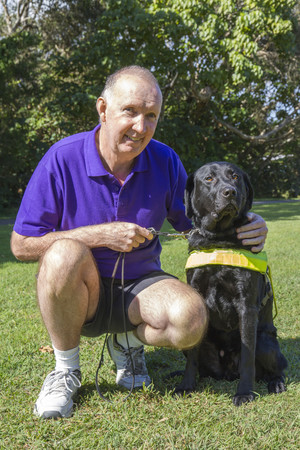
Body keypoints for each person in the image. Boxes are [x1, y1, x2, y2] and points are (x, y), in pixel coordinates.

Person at [10, 66, 268, 419]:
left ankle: (126, 342)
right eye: (130, 111)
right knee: (64, 254)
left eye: (151, 116)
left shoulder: (164, 159)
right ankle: (66, 369)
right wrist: (100, 235)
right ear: (103, 110)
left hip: (140, 286)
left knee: (191, 319)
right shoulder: (61, 157)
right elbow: (21, 244)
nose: (141, 126)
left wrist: (248, 221)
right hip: (81, 292)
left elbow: (194, 224)